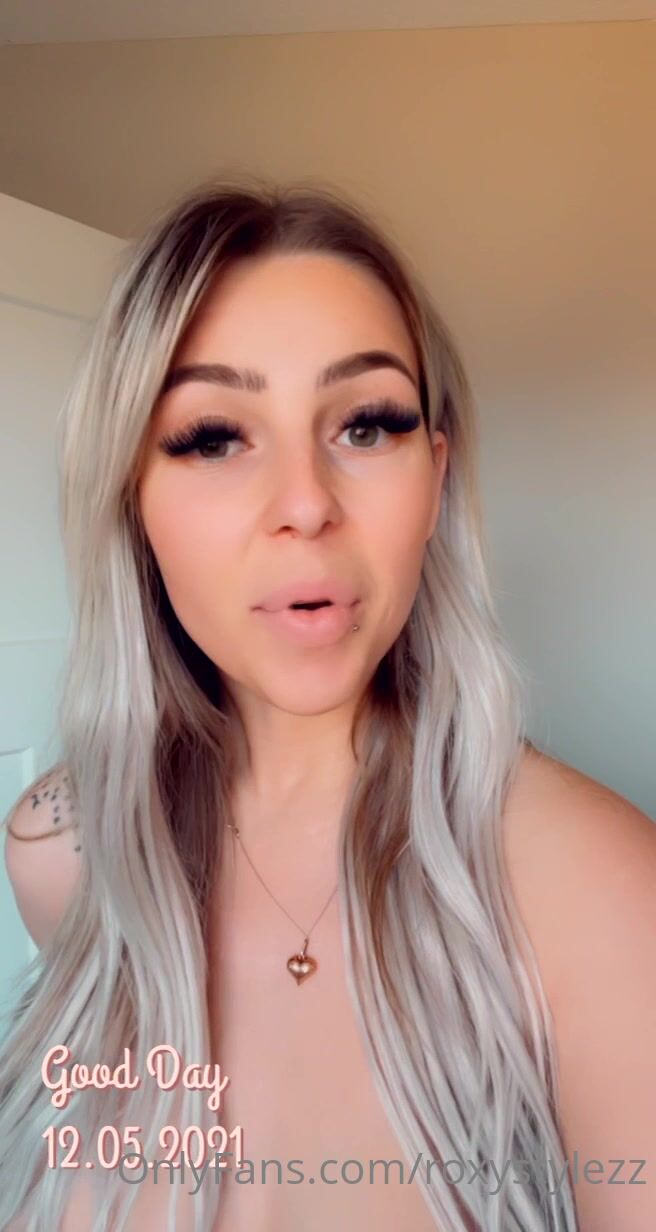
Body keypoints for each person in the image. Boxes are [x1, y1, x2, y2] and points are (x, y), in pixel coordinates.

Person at [1, 177, 654, 1232]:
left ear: (433, 478)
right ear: (132, 498)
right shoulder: (63, 850)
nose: (305, 503)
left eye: (366, 424)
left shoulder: (598, 893)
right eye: (214, 436)